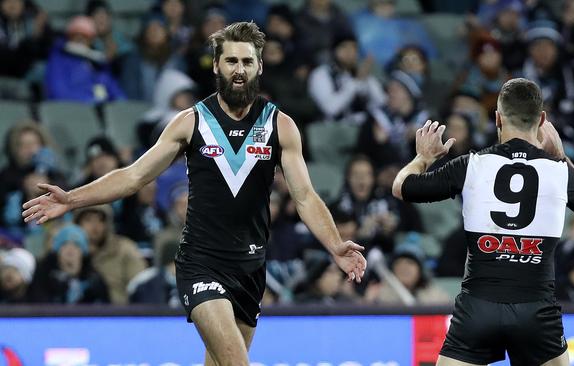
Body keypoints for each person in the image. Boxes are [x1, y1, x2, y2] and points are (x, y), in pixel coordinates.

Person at [22, 21, 366, 365]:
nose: (239, 70)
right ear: (216, 65)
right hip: (201, 264)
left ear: (259, 66)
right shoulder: (191, 122)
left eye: (247, 62)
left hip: (250, 268)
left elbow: (304, 196)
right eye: (231, 61)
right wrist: (71, 199)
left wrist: (335, 244)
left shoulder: (280, 125)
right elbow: (134, 176)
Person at [392, 78, 574, 366]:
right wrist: (563, 157)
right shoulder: (557, 170)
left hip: (478, 308)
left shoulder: (471, 165)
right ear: (541, 119)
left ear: (497, 119)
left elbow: (402, 187)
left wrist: (423, 157)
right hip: (536, 312)